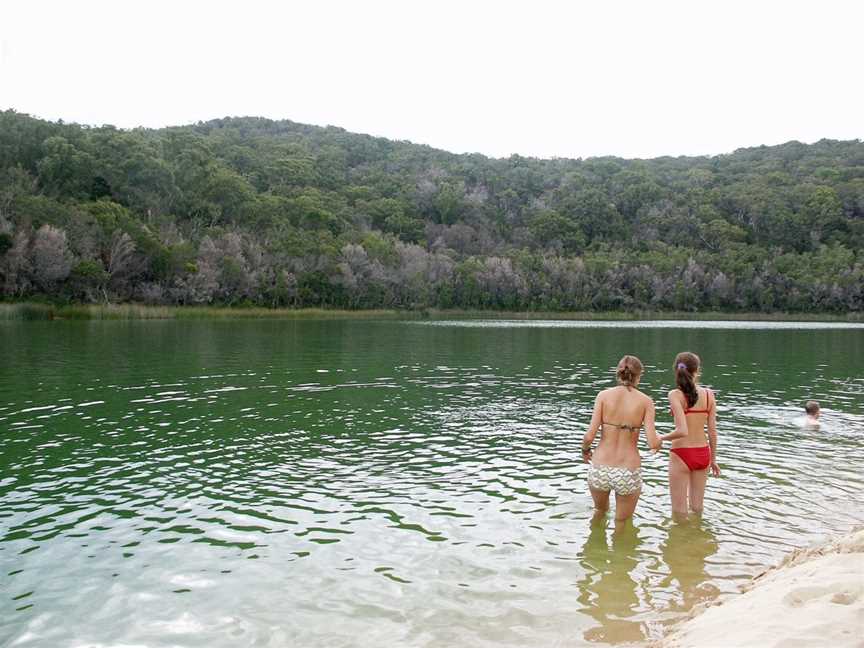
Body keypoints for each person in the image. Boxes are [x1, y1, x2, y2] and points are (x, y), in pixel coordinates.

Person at [581, 355, 661, 521]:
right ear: (639, 375)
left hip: (600, 468)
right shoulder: (646, 401)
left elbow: (589, 436)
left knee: (599, 514)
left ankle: (595, 546)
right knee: (622, 524)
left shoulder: (603, 396)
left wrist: (585, 450)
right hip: (628, 470)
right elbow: (653, 442)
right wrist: (660, 442)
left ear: (618, 373)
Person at [660, 352, 719, 517]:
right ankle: (698, 539)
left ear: (676, 370)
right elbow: (713, 432)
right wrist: (713, 459)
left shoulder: (675, 395)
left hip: (681, 454)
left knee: (679, 512)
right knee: (697, 508)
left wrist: (660, 438)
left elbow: (681, 430)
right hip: (703, 453)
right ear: (697, 370)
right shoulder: (709, 394)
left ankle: (683, 541)